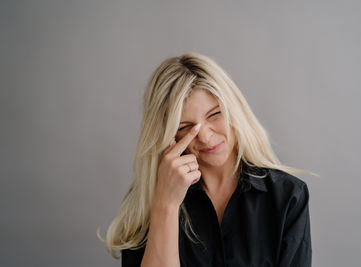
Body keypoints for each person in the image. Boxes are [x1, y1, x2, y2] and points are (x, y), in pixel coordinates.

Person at [99, 52, 315, 266]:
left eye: (214, 114)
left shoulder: (287, 196)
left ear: (234, 109)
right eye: (185, 127)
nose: (204, 136)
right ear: (168, 136)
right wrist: (166, 206)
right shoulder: (147, 202)